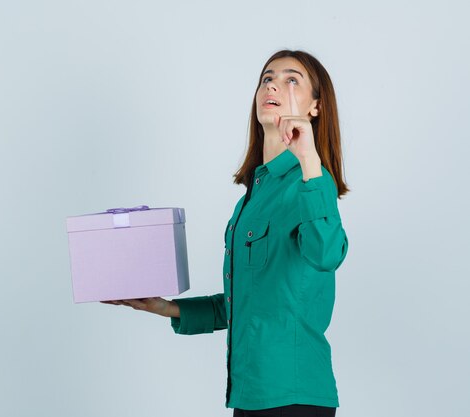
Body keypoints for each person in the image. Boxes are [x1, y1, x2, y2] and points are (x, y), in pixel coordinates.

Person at [102, 50, 349, 417]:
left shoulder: (312, 182)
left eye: (291, 79)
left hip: (296, 396)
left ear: (315, 107)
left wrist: (310, 158)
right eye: (267, 77)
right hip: (250, 394)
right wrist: (164, 307)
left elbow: (328, 254)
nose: (273, 84)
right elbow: (247, 303)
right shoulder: (254, 195)